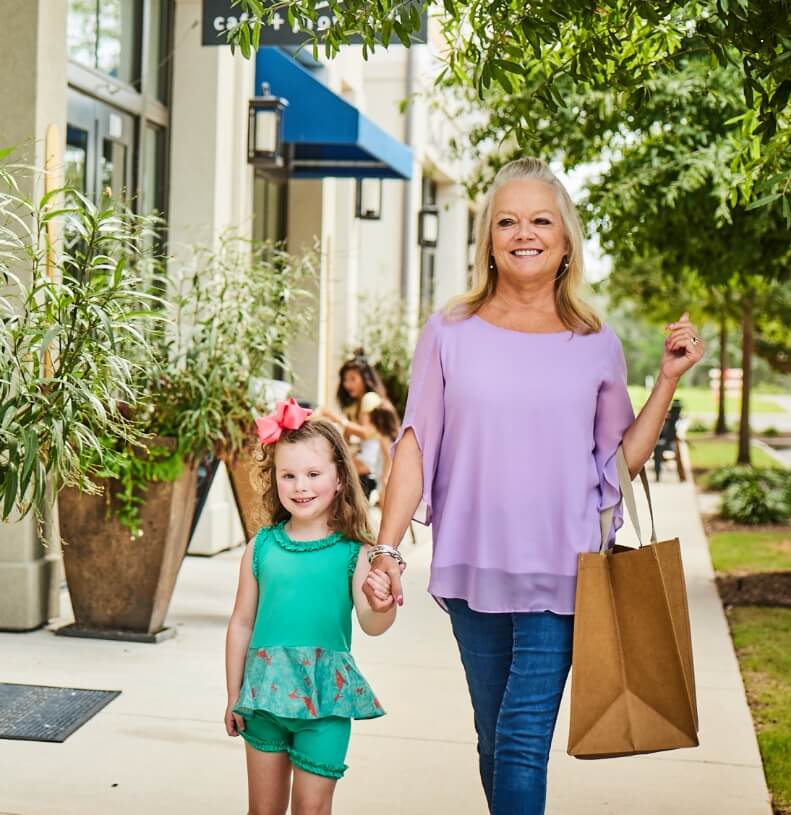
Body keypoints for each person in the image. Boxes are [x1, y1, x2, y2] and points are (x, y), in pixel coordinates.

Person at [362, 157, 705, 815]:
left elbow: (620, 460)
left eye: (541, 219)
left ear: (565, 237)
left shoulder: (594, 339)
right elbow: (414, 443)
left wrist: (664, 380)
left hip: (563, 568)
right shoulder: (448, 331)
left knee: (520, 742)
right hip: (471, 568)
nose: (525, 233)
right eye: (507, 220)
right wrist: (386, 549)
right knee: (492, 740)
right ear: (488, 238)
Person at [225, 398, 397, 815]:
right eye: (289, 475)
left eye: (313, 474)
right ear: (275, 480)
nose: (300, 486)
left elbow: (373, 624)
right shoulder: (261, 547)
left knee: (312, 809)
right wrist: (234, 695)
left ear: (340, 478)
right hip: (263, 698)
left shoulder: (356, 553)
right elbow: (241, 624)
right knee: (262, 811)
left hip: (326, 701)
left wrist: (382, 601)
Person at [318, 350, 389, 498]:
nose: (347, 384)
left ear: (365, 379)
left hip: (374, 459)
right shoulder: (353, 407)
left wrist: (337, 419)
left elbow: (366, 432)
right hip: (366, 458)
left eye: (353, 379)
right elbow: (347, 439)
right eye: (345, 380)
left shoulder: (369, 398)